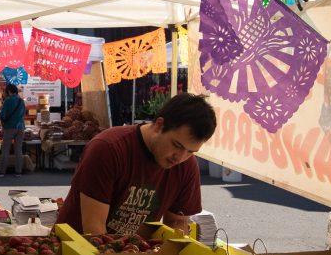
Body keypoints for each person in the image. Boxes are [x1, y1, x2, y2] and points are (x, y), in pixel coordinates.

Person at [57, 93, 217, 236]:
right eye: (177, 145)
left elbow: (177, 221)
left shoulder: (187, 166)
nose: (180, 157)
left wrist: (177, 242)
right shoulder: (108, 148)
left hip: (134, 252)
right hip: (74, 248)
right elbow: (94, 229)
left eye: (191, 151)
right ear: (159, 125)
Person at [0, 83, 26, 178]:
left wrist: (2, 122)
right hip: (20, 127)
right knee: (18, 150)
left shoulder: (8, 101)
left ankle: (1, 172)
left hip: (10, 127)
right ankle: (18, 172)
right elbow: (23, 114)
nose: (4, 93)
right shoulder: (21, 101)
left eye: (5, 91)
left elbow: (3, 115)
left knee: (5, 150)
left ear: (9, 92)